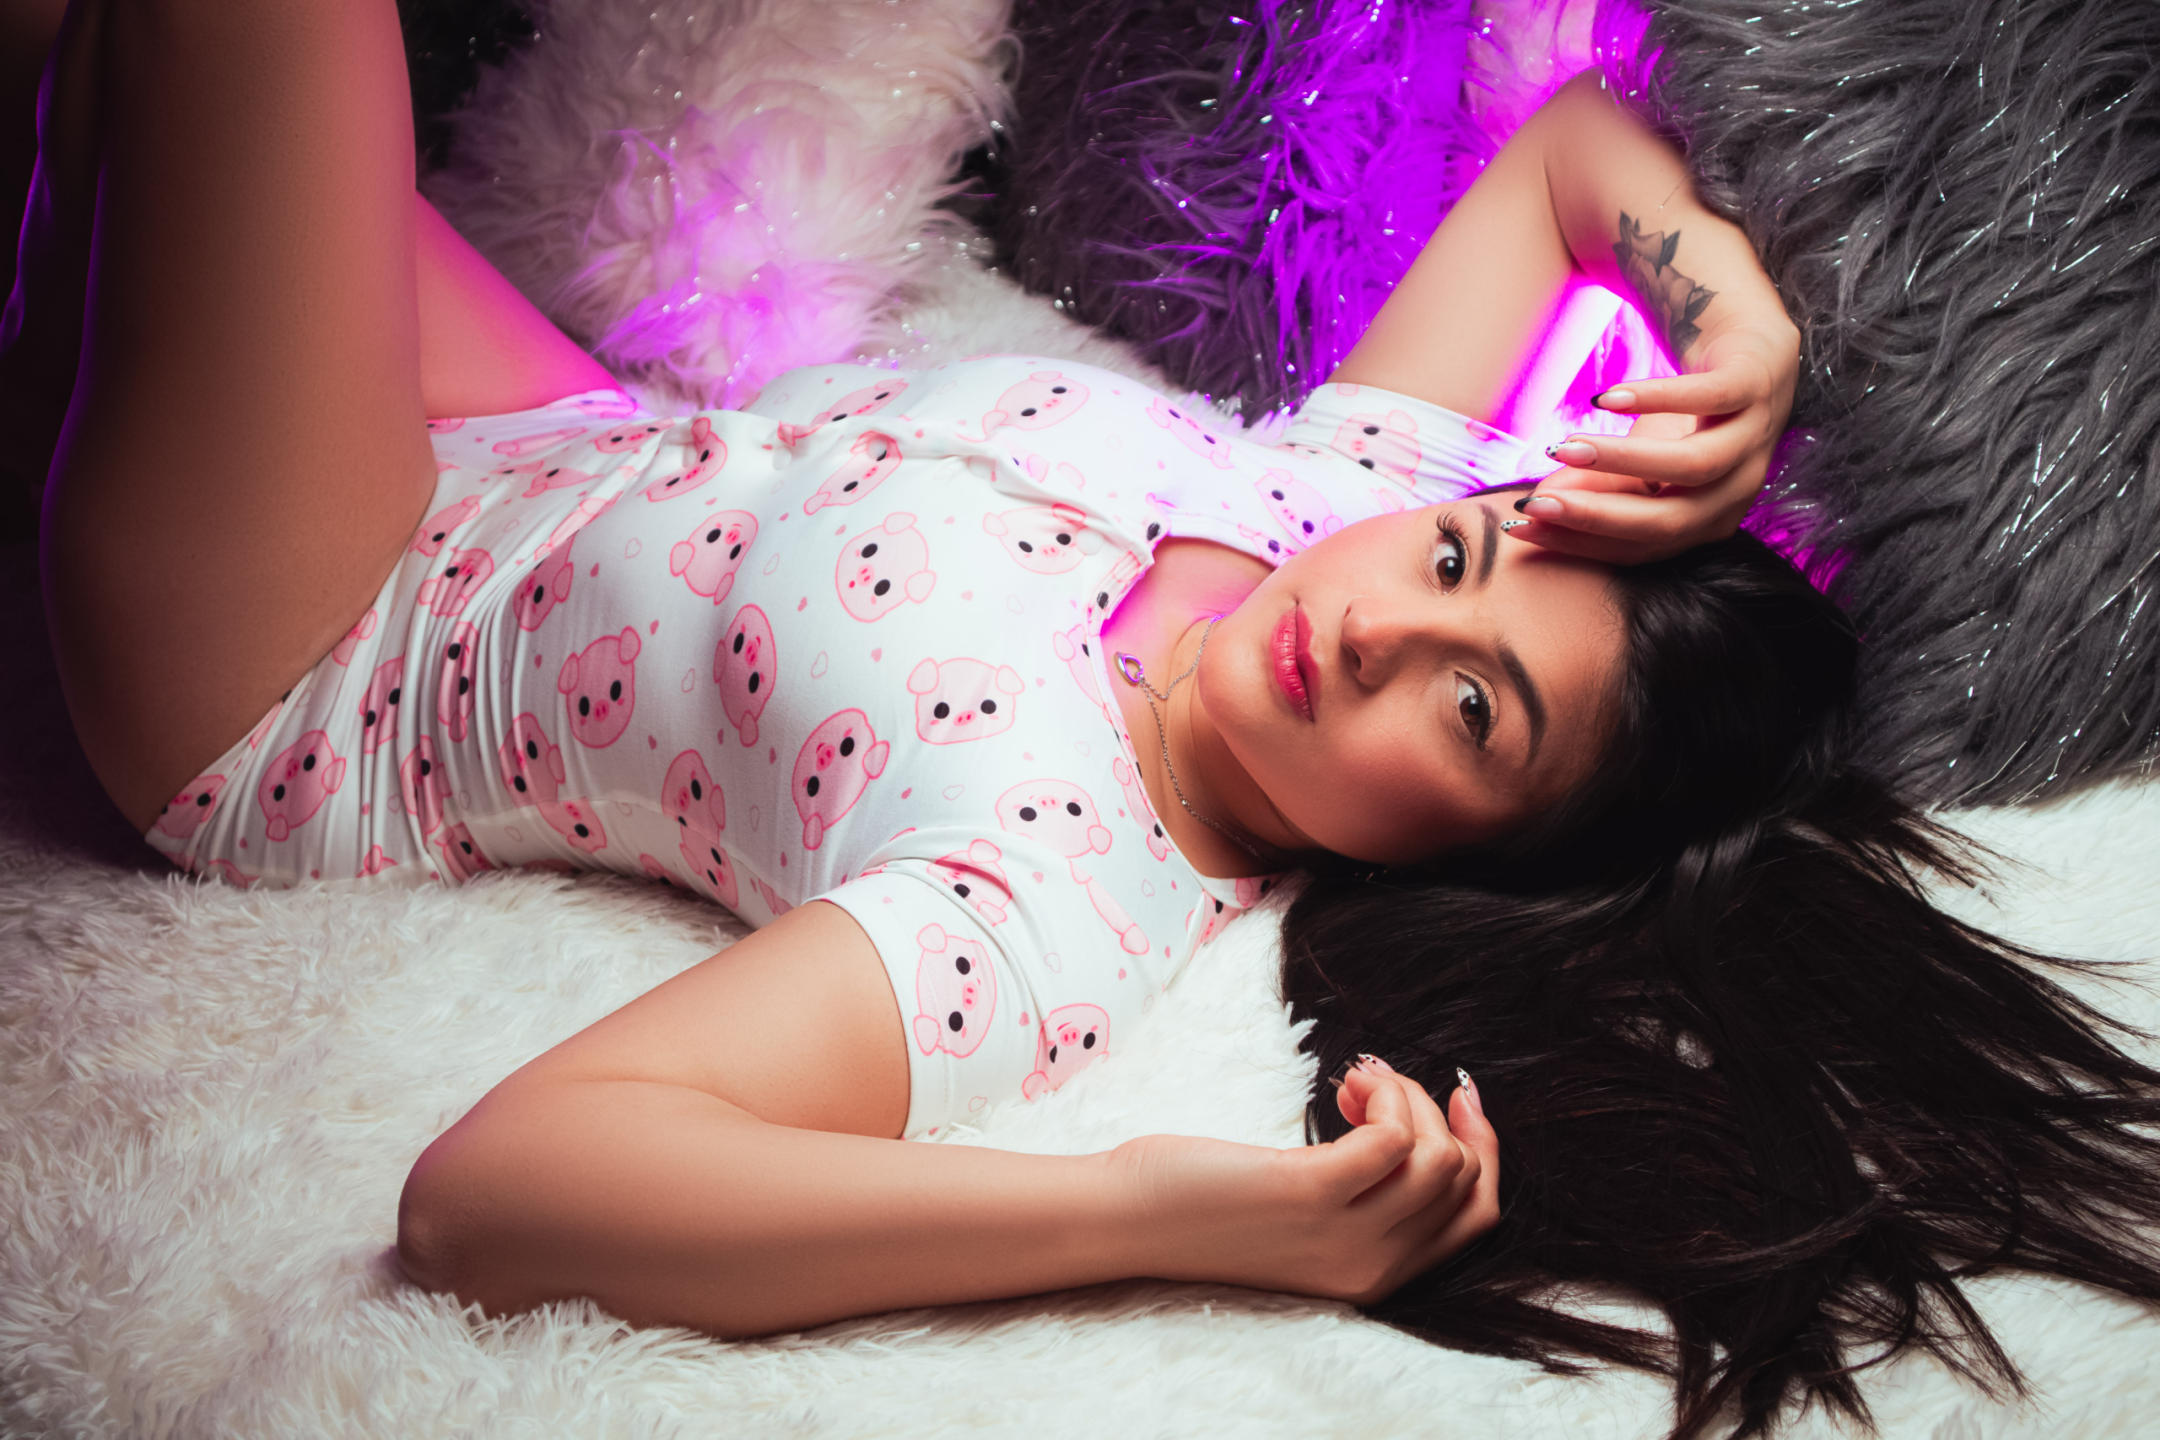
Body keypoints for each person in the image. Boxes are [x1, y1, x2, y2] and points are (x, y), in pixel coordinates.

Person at [10, 5, 2160, 1438]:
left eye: (1472, 710)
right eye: (1457, 562)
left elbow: (502, 1192)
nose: (1378, 628)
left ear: (1477, 853)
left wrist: (1167, 1208)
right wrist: (1727, 314)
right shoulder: (1336, 498)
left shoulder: (1054, 884)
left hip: (319, 644)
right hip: (537, 434)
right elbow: (1575, 156)